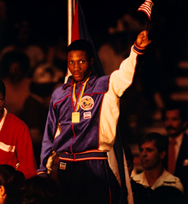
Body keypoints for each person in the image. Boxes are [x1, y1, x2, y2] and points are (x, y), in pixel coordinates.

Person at [37, 30, 151, 204]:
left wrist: (136, 49)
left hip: (95, 163)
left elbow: (125, 73)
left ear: (91, 61)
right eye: (71, 62)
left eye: (81, 62)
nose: (76, 68)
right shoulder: (59, 94)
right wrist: (43, 168)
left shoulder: (105, 85)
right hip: (66, 165)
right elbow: (50, 132)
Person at [0, 79, 37, 179]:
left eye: (0, 100)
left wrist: (10, 182)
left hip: (8, 189)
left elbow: (29, 170)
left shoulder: (18, 127)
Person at [163, 102, 188, 201]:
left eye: (174, 119)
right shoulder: (159, 145)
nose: (169, 124)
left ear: (184, 122)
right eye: (166, 119)